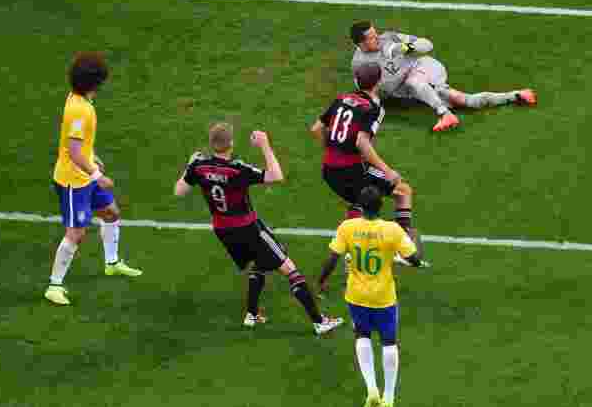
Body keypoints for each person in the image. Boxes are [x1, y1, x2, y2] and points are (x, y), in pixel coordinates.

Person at [174, 123, 343, 335]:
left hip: (223, 230)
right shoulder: (237, 170)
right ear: (231, 144)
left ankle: (252, 315)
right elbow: (276, 175)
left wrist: (189, 165)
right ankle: (320, 322)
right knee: (290, 269)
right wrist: (265, 145)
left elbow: (179, 191)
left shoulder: (198, 167)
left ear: (211, 143)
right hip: (248, 227)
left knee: (259, 263)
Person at [45, 52, 142, 306]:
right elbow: (74, 152)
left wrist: (92, 155)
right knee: (76, 233)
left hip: (83, 175)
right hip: (72, 181)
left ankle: (112, 263)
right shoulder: (80, 110)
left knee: (111, 212)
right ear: (96, 82)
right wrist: (97, 175)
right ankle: (54, 285)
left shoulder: (78, 100)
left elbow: (77, 144)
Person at [318, 185, 423, 407]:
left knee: (362, 336)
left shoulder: (347, 227)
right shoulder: (392, 229)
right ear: (381, 206)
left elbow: (332, 258)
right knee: (389, 342)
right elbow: (414, 259)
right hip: (384, 297)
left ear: (360, 206)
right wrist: (415, 238)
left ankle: (372, 390)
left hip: (356, 296)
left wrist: (322, 280)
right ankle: (389, 397)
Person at [311, 63, 427, 264]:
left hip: (329, 170)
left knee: (359, 206)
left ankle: (351, 251)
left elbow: (316, 129)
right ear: (379, 82)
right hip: (352, 170)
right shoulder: (373, 108)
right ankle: (402, 245)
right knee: (403, 190)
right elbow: (361, 142)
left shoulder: (340, 99)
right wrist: (387, 170)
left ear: (356, 80)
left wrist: (331, 149)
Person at [349, 21, 537, 132]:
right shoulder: (360, 65)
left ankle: (445, 115)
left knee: (414, 81)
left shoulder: (390, 38)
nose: (378, 38)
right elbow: (376, 92)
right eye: (373, 37)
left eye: (376, 33)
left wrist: (405, 48)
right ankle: (516, 95)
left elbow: (427, 45)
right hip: (409, 88)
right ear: (361, 43)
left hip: (424, 68)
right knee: (466, 101)